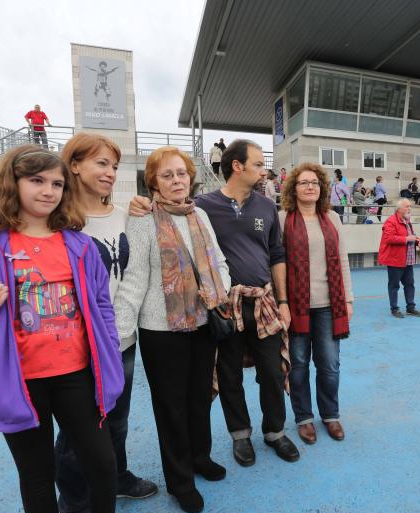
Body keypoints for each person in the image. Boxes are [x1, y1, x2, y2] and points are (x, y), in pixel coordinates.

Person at [0, 134, 158, 513]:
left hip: (75, 375)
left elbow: (101, 308)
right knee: (38, 478)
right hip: (22, 381)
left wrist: (105, 366)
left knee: (103, 463)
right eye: (37, 181)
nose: (48, 191)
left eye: (56, 184)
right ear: (12, 184)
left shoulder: (78, 244)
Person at [128, 140, 299, 466]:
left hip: (263, 303)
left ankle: (275, 431)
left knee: (273, 372)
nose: (264, 170)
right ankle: (241, 436)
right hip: (224, 306)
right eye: (259, 164)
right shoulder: (203, 206)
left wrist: (284, 301)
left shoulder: (266, 207)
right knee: (229, 374)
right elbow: (166, 211)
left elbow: (277, 254)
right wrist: (138, 203)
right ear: (238, 166)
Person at [113, 147, 229, 513]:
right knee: (171, 407)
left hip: (203, 320)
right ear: (154, 182)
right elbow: (133, 280)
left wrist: (219, 292)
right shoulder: (144, 220)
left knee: (199, 398)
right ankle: (180, 481)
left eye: (181, 173)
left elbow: (218, 260)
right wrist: (120, 334)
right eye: (167, 175)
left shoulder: (200, 214)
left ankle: (200, 457)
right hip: (161, 329)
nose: (177, 180)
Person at [278, 162, 353, 444]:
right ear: (293, 188)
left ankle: (330, 415)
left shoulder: (332, 219)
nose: (310, 187)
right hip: (297, 305)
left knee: (330, 364)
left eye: (315, 183)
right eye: (303, 182)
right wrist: (281, 301)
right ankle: (304, 418)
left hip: (328, 304)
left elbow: (343, 260)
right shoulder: (283, 218)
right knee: (298, 364)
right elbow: (278, 262)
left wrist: (348, 299)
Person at [378, 198, 420, 318]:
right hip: (395, 260)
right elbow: (389, 238)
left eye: (410, 206)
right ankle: (394, 309)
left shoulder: (407, 221)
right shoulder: (390, 221)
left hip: (408, 260)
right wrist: (407, 239)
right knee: (394, 286)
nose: (409, 208)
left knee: (410, 284)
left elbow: (409, 236)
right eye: (407, 206)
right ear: (399, 209)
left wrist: (417, 240)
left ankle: (410, 307)